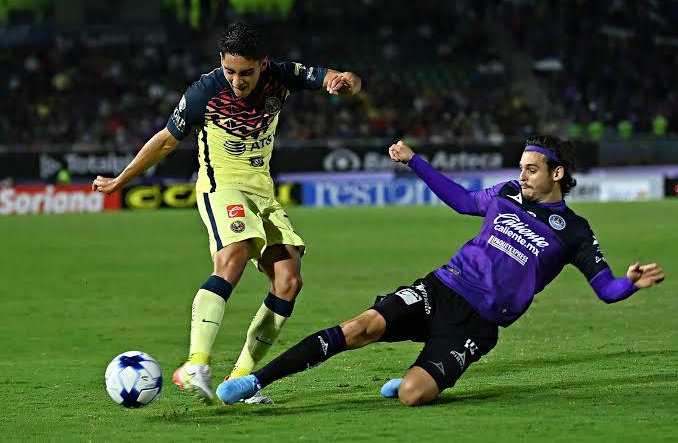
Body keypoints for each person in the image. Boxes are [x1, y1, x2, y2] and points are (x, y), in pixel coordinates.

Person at [216, 135, 665, 407]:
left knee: (413, 395)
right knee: (360, 327)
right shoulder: (506, 193)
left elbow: (606, 290)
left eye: (531, 169)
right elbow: (461, 200)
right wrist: (415, 161)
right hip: (441, 288)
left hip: (477, 324)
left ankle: (417, 376)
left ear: (558, 173)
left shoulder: (576, 233)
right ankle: (255, 380)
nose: (522, 175)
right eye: (522, 167)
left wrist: (629, 283)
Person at [92, 22, 362, 404]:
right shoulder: (205, 91)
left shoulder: (282, 75)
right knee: (234, 252)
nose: (237, 80)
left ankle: (241, 379)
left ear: (262, 64)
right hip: (221, 185)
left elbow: (341, 77)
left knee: (288, 281)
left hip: (262, 191)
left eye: (247, 72)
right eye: (231, 70)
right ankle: (195, 363)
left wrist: (347, 83)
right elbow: (166, 141)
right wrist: (122, 180)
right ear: (221, 62)